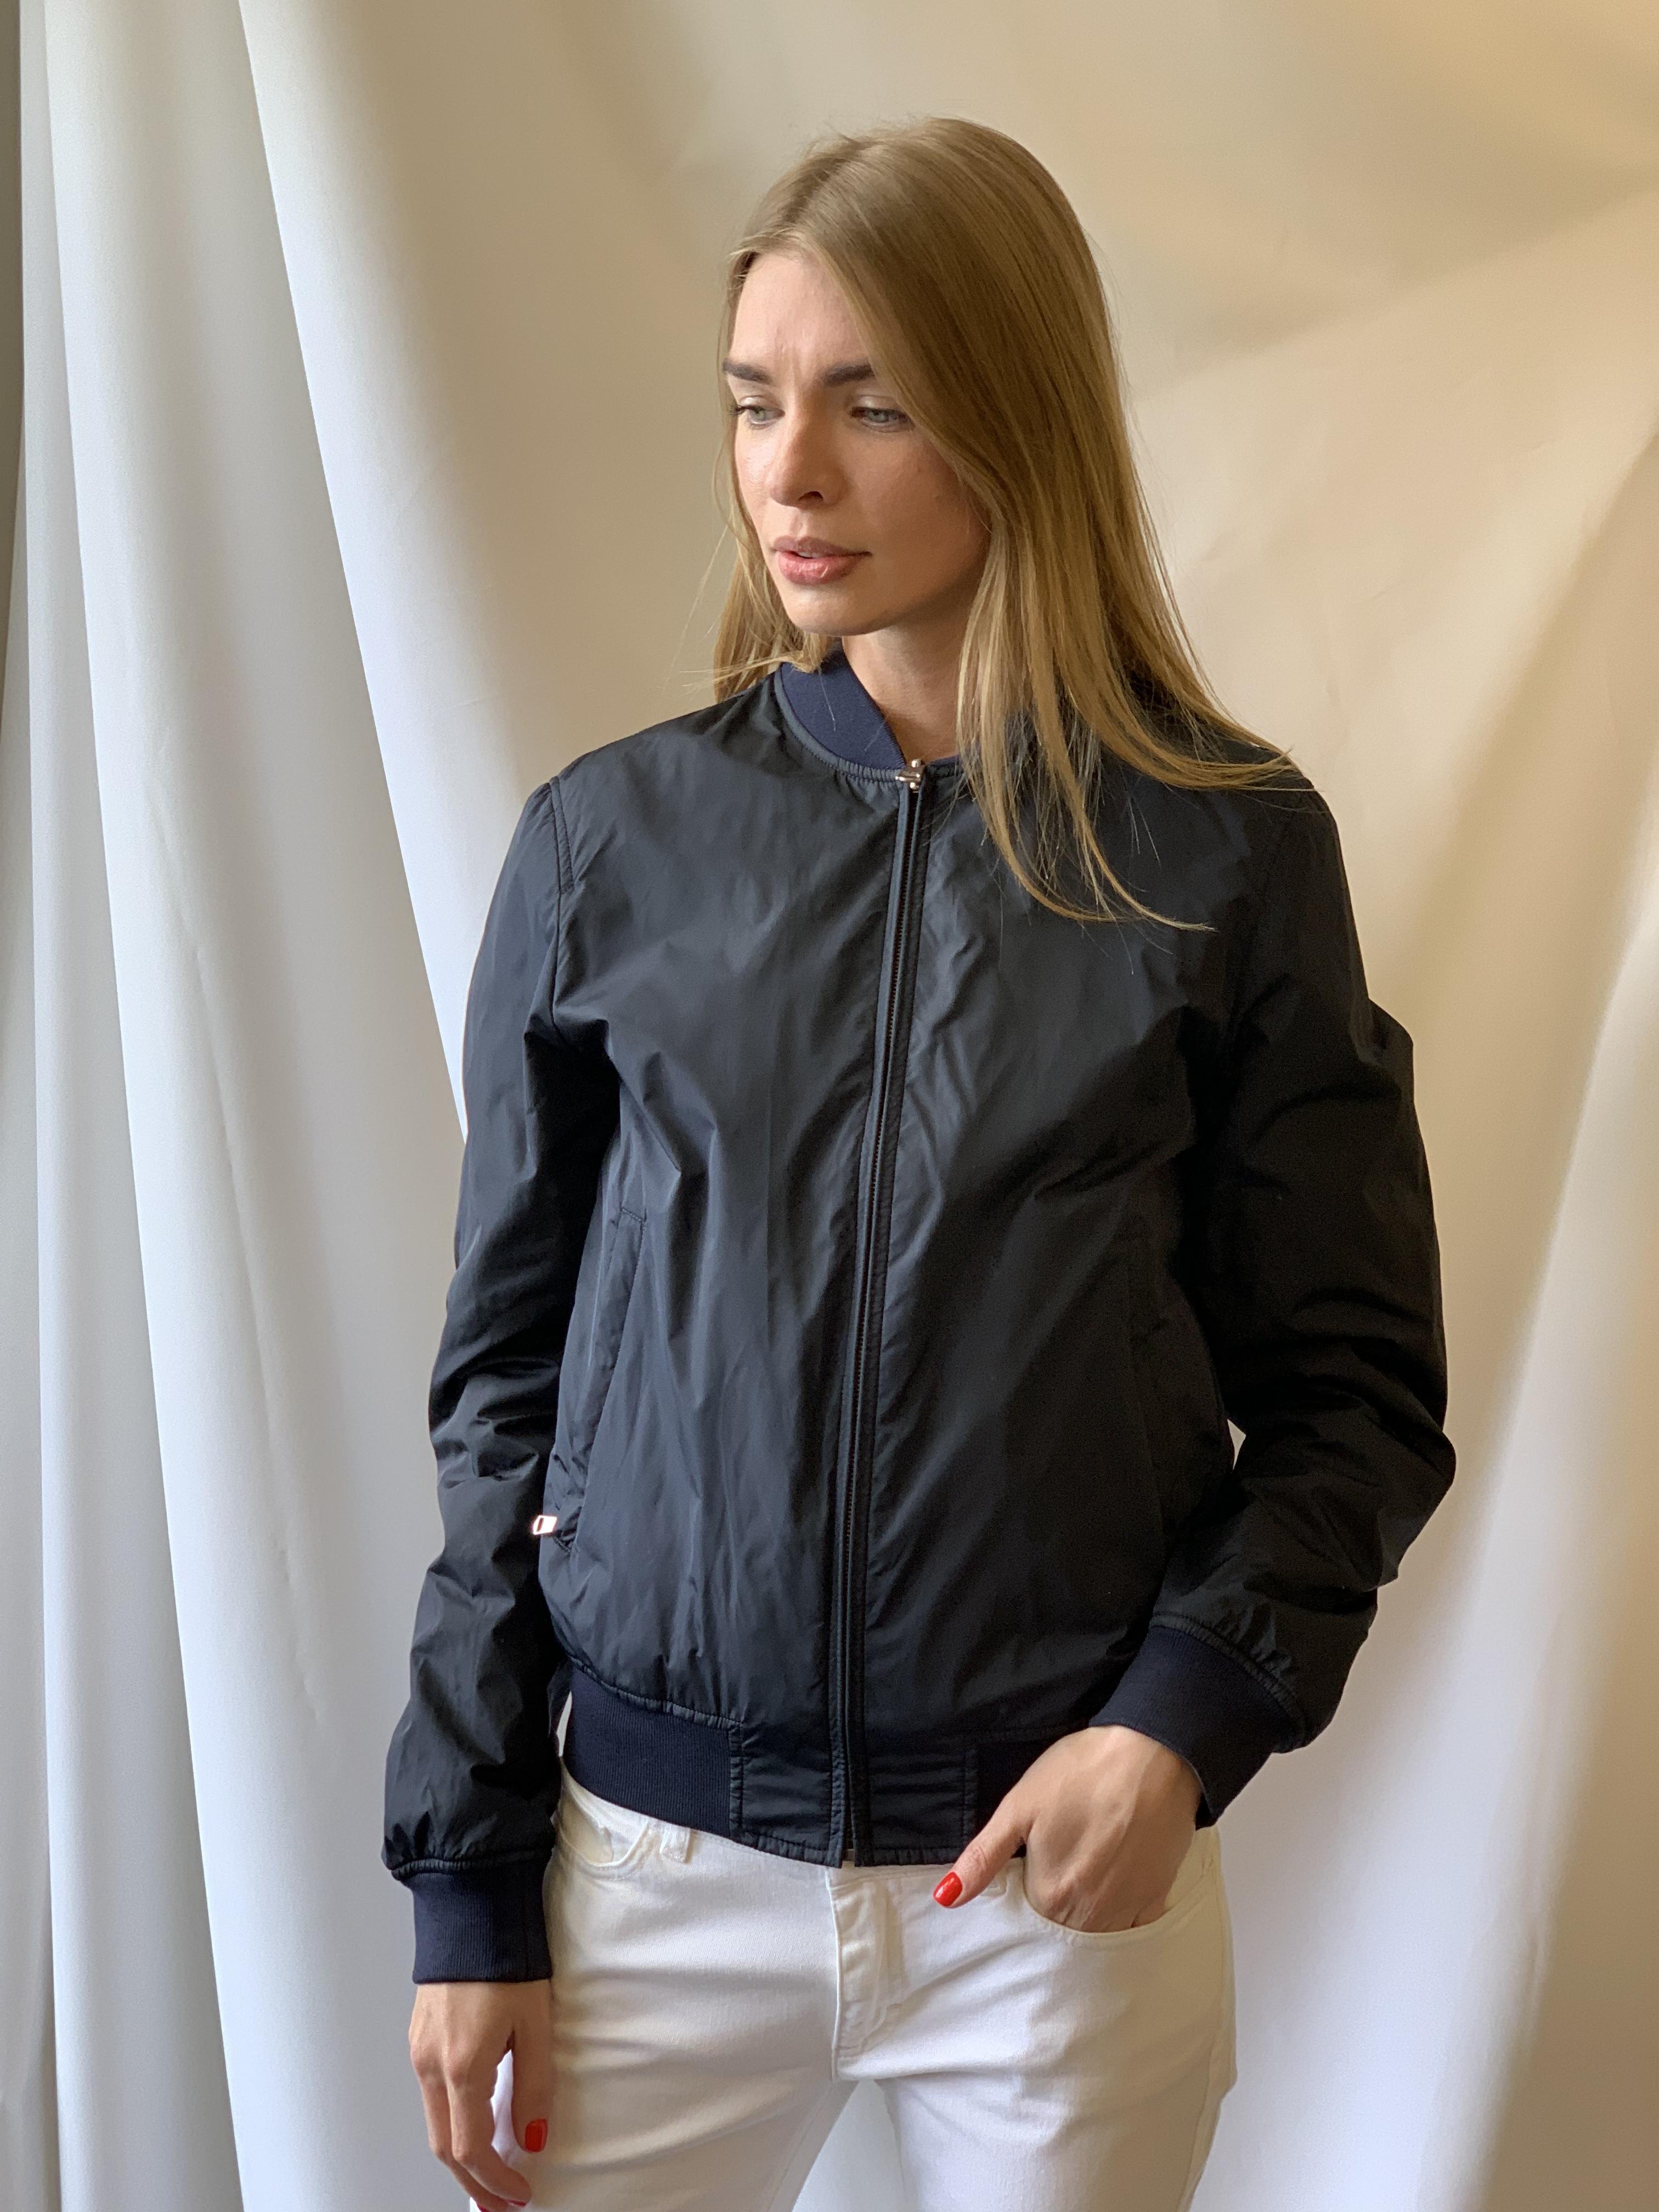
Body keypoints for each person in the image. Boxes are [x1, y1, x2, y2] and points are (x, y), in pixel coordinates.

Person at [382, 116, 1455, 2212]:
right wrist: (469, 1874)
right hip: (652, 1882)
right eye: (755, 401)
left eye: (872, 404)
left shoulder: (1222, 854)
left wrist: (1179, 1723)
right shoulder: (611, 847)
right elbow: (504, 1400)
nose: (790, 472)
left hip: (1046, 1900)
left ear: (1020, 415)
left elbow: (1356, 1396)